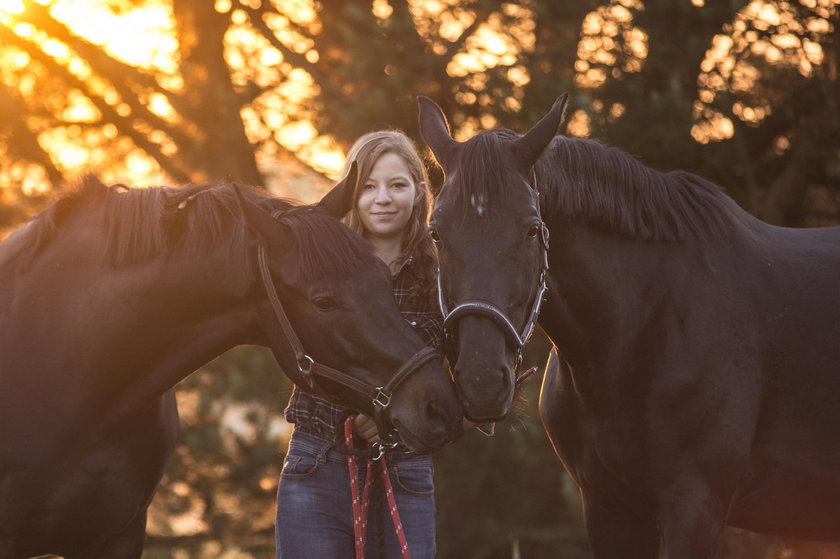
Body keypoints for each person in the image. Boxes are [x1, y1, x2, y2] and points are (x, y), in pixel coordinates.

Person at [276, 130, 442, 559]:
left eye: (397, 185)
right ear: (350, 193)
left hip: (403, 461)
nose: (382, 198)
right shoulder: (324, 270)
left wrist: (389, 414)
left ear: (419, 192)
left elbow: (452, 366)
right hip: (318, 455)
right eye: (367, 187)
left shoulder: (442, 277)